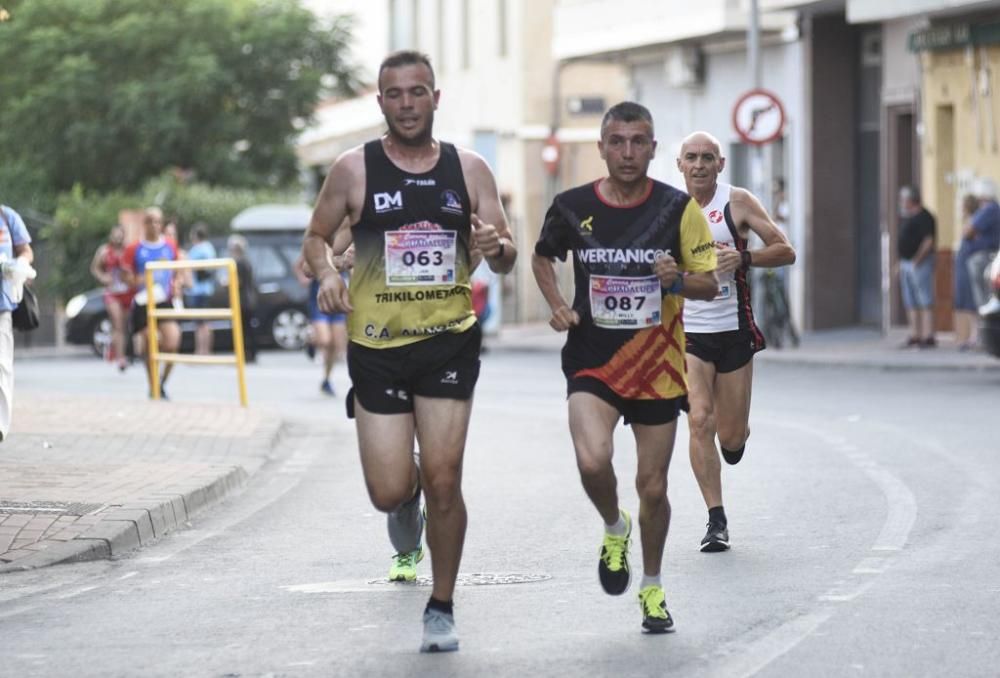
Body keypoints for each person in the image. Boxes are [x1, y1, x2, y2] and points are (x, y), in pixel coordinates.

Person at [301, 50, 517, 653]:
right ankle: (408, 499)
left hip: (448, 340)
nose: (406, 104)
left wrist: (495, 245)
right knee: (388, 491)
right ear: (381, 103)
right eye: (394, 94)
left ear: (435, 98)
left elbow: (505, 254)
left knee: (448, 479)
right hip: (377, 347)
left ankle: (441, 606)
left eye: (417, 92)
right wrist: (325, 272)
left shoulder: (469, 169)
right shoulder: (352, 169)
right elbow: (317, 237)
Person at [532, 103, 719, 634]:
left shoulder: (678, 209)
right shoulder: (570, 206)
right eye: (618, 141)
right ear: (602, 147)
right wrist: (556, 304)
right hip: (592, 357)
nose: (629, 152)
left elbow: (709, 282)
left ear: (655, 149)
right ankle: (615, 528)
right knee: (594, 462)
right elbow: (543, 256)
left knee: (653, 487)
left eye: (639, 142)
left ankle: (653, 587)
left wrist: (676, 278)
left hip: (657, 367)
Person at [675, 131, 795, 552]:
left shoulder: (737, 202)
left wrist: (744, 257)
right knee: (698, 420)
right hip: (688, 334)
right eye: (692, 157)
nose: (700, 164)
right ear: (680, 165)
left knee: (729, 437)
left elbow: (786, 250)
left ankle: (736, 439)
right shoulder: (668, 210)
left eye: (708, 157)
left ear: (720, 165)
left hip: (734, 330)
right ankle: (716, 519)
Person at [123, 207, 181, 398]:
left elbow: (178, 270)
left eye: (157, 221)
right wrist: (141, 279)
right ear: (144, 224)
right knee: (151, 341)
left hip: (163, 299)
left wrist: (177, 284)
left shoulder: (170, 246)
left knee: (172, 341)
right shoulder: (134, 249)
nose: (154, 225)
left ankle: (162, 382)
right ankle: (153, 384)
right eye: (150, 221)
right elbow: (126, 277)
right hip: (143, 301)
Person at [0, 203, 35, 442]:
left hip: (2, 304)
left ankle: (0, 426)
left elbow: (26, 250)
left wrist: (20, 264)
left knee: (2, 365)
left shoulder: (7, 215)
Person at [955, 179, 1000, 350]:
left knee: (979, 299)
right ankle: (977, 337)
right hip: (980, 258)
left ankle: (979, 338)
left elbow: (969, 231)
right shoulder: (990, 209)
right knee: (975, 298)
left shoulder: (989, 209)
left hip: (980, 259)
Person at [296, 250, 349, 395]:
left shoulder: (345, 241)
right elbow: (299, 264)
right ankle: (310, 340)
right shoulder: (319, 240)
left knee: (336, 345)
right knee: (325, 340)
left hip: (338, 298)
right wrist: (303, 279)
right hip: (319, 299)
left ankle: (326, 379)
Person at [895, 186, 937, 348]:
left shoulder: (925, 217)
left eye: (903, 199)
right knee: (910, 301)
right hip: (906, 263)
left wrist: (917, 260)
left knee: (925, 299)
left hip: (920, 263)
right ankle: (915, 334)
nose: (901, 203)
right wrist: (900, 262)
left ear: (911, 200)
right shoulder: (907, 217)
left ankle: (928, 335)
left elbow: (928, 241)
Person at [90, 225, 135, 370]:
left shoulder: (129, 250)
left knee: (127, 324)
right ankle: (120, 358)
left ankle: (124, 352)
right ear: (111, 236)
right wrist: (103, 277)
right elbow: (95, 268)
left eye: (120, 235)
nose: (117, 238)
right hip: (112, 292)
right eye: (115, 235)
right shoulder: (104, 251)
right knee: (118, 322)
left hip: (128, 291)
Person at [185, 224, 217, 355]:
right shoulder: (210, 248)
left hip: (198, 290)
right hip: (208, 289)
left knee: (200, 324)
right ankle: (206, 350)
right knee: (206, 322)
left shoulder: (198, 249)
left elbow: (188, 265)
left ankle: (200, 351)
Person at [227, 235, 258, 363]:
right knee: (249, 329)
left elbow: (238, 282)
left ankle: (244, 353)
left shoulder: (238, 263)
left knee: (242, 329)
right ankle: (251, 353)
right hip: (250, 300)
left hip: (241, 301)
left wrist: (227, 283)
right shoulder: (247, 262)